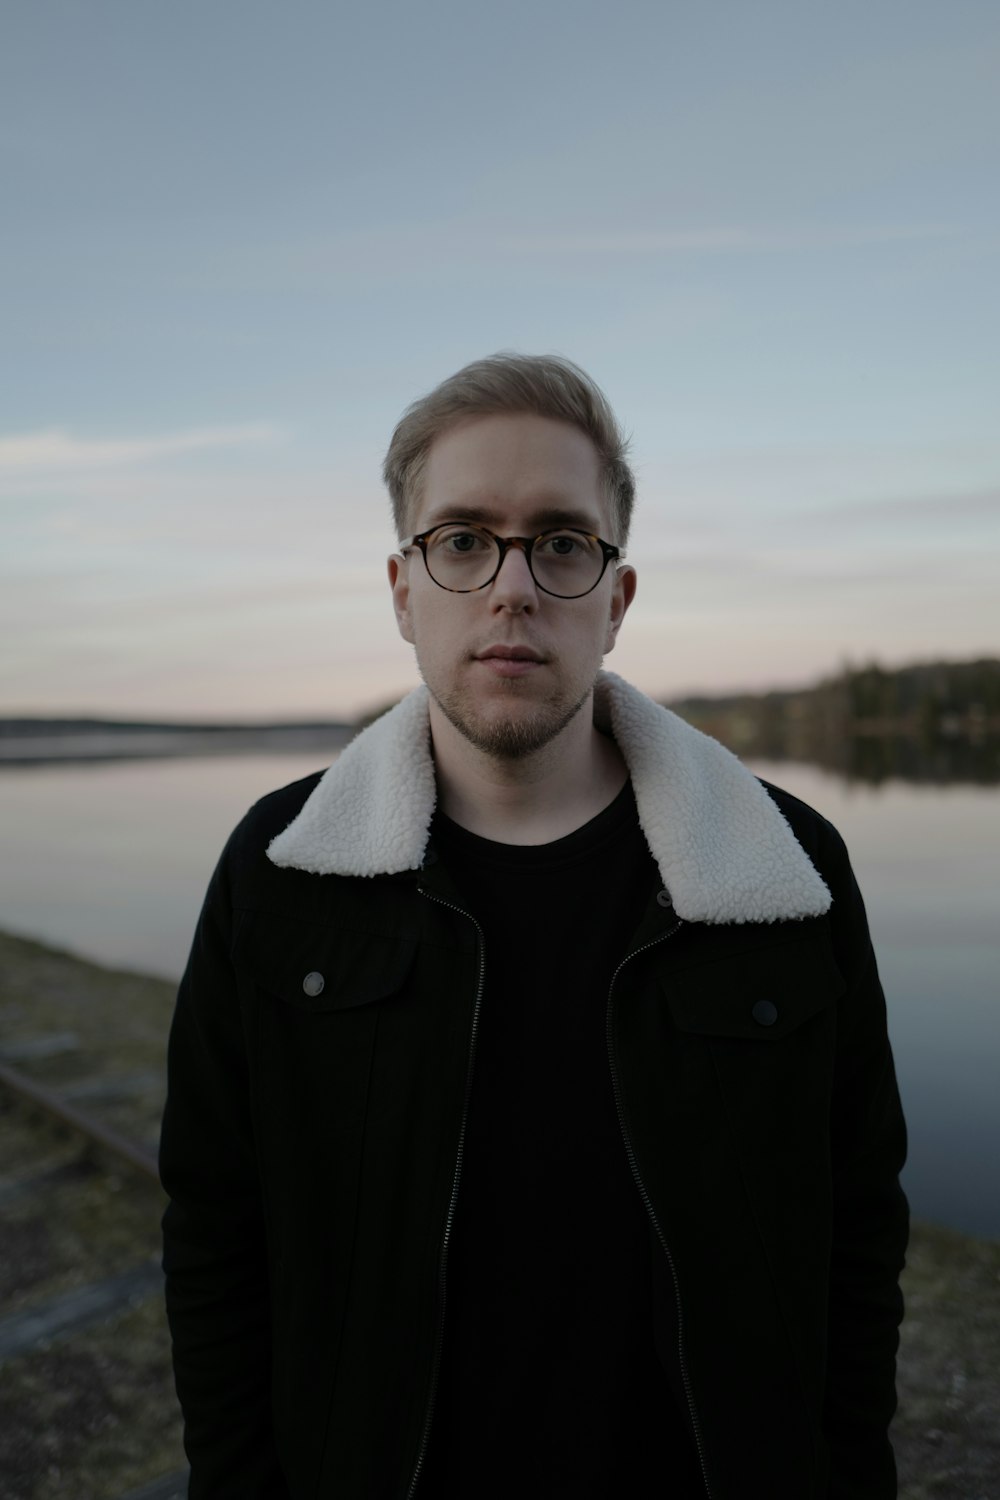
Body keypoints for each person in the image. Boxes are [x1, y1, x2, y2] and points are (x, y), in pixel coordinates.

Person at [160, 353, 909, 1500]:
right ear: (404, 589)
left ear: (614, 600)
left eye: (560, 541)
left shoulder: (786, 869)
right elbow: (218, 1233)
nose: (511, 586)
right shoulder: (281, 873)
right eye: (462, 538)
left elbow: (855, 1230)